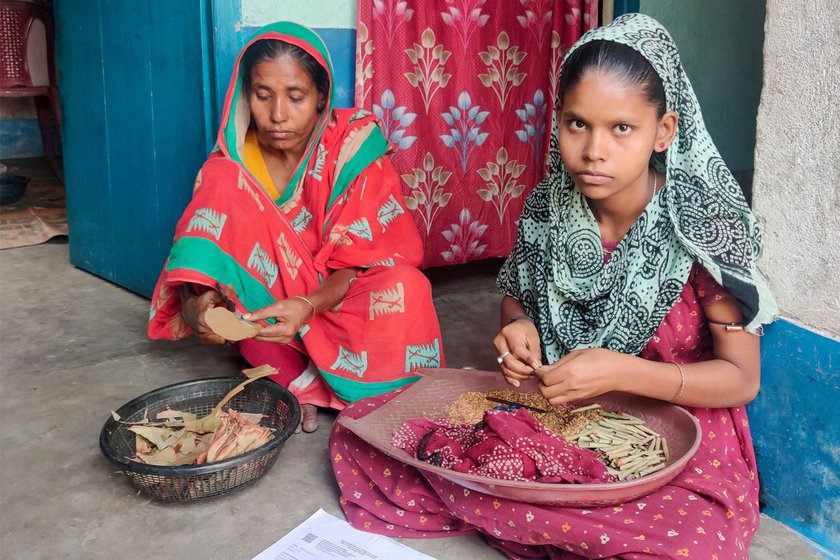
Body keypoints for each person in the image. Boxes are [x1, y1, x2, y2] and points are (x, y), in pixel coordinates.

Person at [329, 13, 777, 559]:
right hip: (558, 404)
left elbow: (741, 377)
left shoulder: (704, 226)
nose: (594, 151)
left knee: (684, 540)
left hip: (673, 427)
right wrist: (517, 329)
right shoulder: (547, 208)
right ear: (558, 121)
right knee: (374, 435)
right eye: (577, 124)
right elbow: (518, 297)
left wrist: (622, 371)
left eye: (622, 129)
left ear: (664, 131)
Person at [148, 22, 444, 434]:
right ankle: (297, 380)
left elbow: (364, 257)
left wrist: (309, 305)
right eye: (262, 95)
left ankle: (302, 383)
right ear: (244, 94)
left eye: (296, 97)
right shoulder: (229, 170)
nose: (277, 115)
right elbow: (212, 259)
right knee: (246, 303)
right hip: (273, 305)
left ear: (322, 97)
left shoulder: (351, 145)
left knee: (407, 287)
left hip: (339, 290)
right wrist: (204, 307)